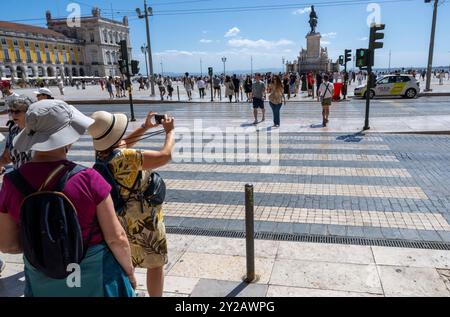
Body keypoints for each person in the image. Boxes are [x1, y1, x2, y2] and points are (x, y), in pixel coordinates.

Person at [0, 100, 136, 297]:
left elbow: (7, 244)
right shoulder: (88, 179)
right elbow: (117, 238)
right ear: (67, 138)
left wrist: (47, 244)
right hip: (96, 277)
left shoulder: (11, 183)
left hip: (42, 280)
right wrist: (130, 273)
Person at [88, 111, 175, 297]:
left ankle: (130, 293)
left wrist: (145, 127)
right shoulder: (128, 157)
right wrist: (169, 132)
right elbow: (164, 156)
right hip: (144, 219)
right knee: (155, 263)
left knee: (128, 260)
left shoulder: (102, 154)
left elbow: (124, 144)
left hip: (121, 216)